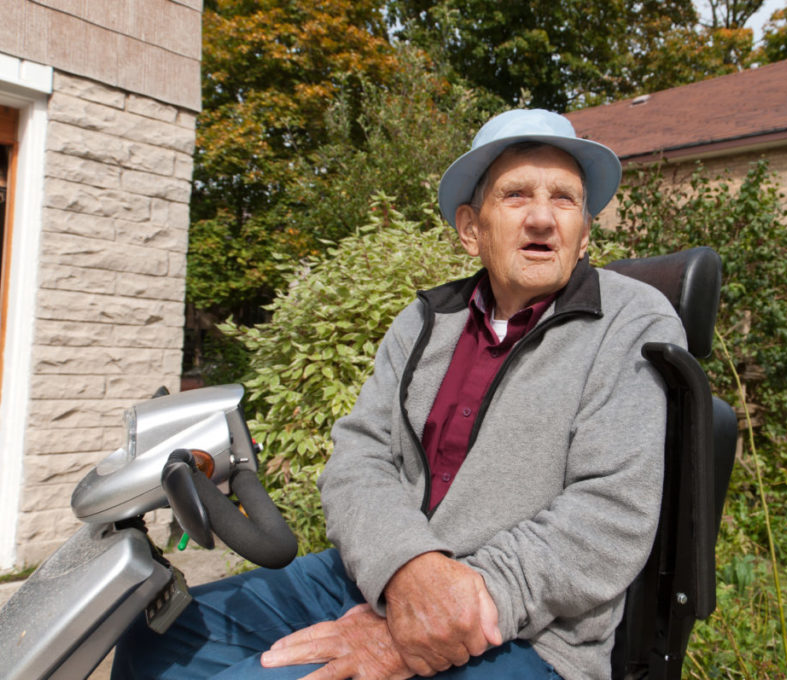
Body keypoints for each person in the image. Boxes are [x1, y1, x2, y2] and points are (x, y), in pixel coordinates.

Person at [112, 109, 686, 680]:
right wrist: (407, 569)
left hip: (527, 627)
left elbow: (610, 512)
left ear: (584, 233)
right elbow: (358, 457)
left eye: (564, 199)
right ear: (471, 228)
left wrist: (443, 607)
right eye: (515, 195)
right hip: (377, 575)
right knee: (159, 637)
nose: (542, 218)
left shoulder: (631, 320)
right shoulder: (425, 321)